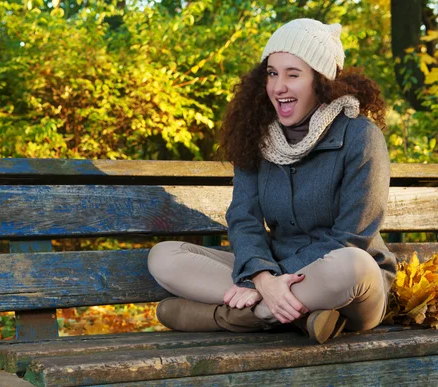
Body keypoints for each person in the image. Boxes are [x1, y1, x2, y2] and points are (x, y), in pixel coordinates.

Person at [147, 18, 397, 344]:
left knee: (352, 266)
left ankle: (242, 317)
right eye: (272, 72)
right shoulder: (257, 137)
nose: (278, 86)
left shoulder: (360, 135)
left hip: (348, 283)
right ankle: (303, 316)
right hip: (272, 269)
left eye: (293, 74)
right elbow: (244, 218)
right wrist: (263, 277)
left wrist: (268, 281)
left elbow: (352, 239)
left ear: (321, 82)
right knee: (164, 257)